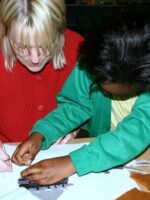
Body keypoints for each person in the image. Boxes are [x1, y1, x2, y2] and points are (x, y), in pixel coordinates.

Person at [11, 17, 150, 185]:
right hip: (102, 151)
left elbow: (136, 131)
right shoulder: (93, 62)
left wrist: (73, 162)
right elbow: (75, 105)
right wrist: (41, 133)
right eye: (101, 86)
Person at [0, 0, 83, 143]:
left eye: (44, 45)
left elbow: (93, 105)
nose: (34, 59)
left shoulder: (79, 49)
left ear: (59, 31)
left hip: (59, 154)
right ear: (6, 31)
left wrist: (80, 124)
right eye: (21, 47)